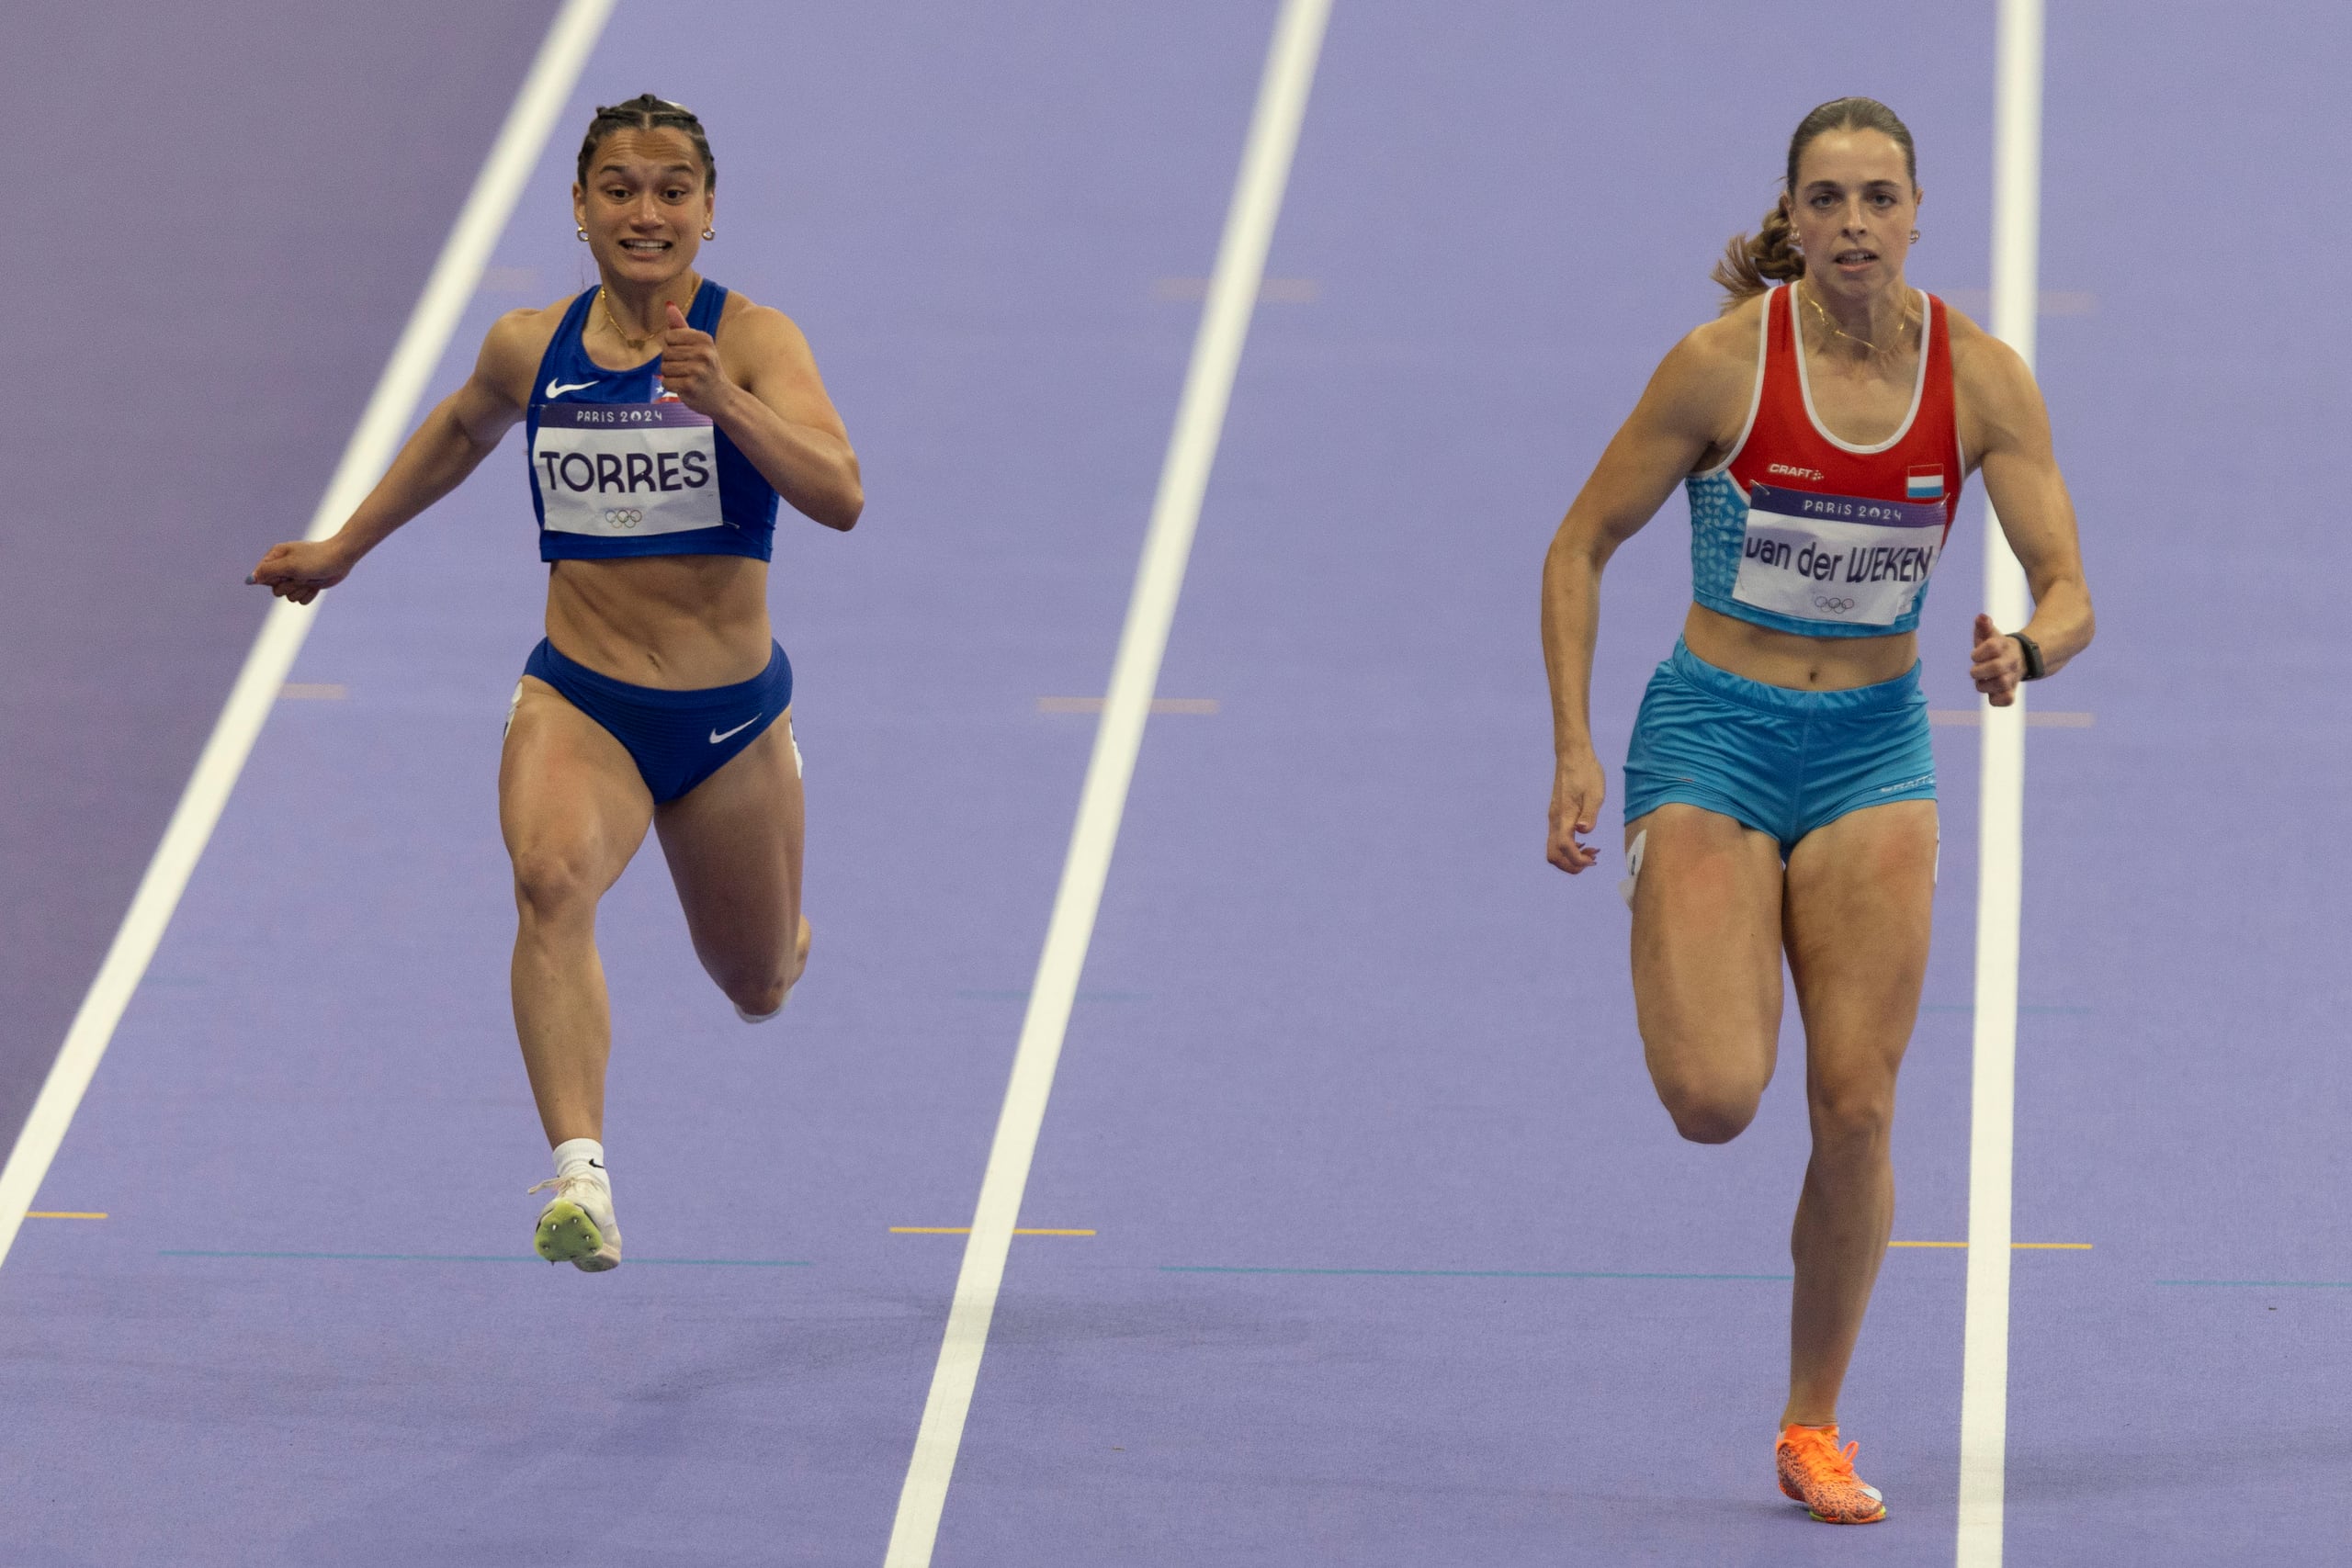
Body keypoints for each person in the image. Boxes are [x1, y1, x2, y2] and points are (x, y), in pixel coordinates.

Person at [1537, 96, 2091, 1523]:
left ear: (1917, 216)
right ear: (1790, 217)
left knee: (1856, 1100)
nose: (1854, 224)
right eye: (1828, 199)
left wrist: (2023, 649)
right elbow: (1581, 543)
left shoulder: (1983, 382)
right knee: (1717, 1098)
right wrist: (1577, 745)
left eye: (1879, 198)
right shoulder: (1722, 367)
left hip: (1870, 750)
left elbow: (2071, 586)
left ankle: (1811, 1422)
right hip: (1715, 738)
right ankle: (1675, 890)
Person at [250, 94, 862, 1273]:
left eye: (672, 189)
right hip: (581, 699)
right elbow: (464, 427)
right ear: (579, 208)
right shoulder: (533, 345)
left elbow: (840, 493)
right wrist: (340, 551)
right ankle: (580, 1175)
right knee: (548, 881)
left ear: (708, 213)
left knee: (757, 983)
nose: (646, 210)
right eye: (619, 188)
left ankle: (780, 921)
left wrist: (724, 402)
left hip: (729, 720)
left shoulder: (755, 342)